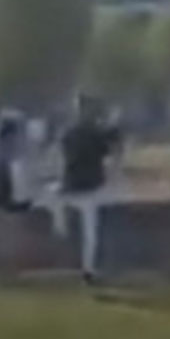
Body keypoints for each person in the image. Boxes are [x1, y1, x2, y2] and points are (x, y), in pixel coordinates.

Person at [52, 97, 120, 283]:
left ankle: (61, 226)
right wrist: (113, 124)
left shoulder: (70, 133)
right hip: (88, 189)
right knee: (91, 234)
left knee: (52, 194)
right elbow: (109, 147)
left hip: (73, 187)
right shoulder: (91, 133)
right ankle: (88, 269)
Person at [0, 116, 35, 280]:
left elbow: (21, 183)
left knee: (12, 239)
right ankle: (6, 270)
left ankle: (10, 270)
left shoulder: (12, 158)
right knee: (7, 239)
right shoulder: (4, 160)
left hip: (11, 203)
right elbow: (2, 184)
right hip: (6, 203)